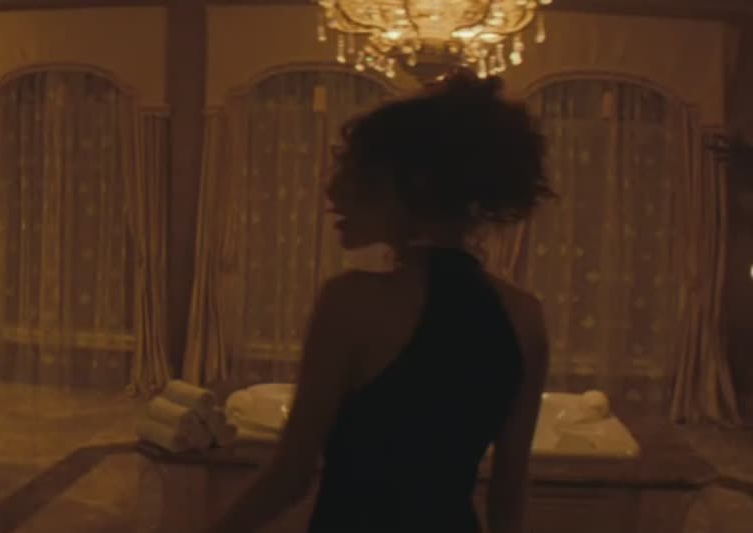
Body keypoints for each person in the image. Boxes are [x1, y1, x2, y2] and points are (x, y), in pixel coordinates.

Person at [202, 71, 553, 533]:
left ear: (410, 188)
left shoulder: (349, 302)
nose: (333, 193)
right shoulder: (525, 315)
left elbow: (290, 476)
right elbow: (508, 493)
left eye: (356, 173)